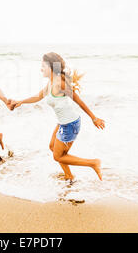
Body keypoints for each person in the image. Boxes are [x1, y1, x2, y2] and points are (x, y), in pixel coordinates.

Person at [9, 52, 105, 181]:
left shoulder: (60, 83)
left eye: (43, 66)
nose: (40, 69)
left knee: (58, 156)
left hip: (70, 124)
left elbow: (78, 100)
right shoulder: (51, 82)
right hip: (63, 122)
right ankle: (69, 175)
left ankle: (93, 163)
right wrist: (20, 102)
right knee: (53, 147)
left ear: (51, 67)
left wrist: (94, 118)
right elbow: (38, 96)